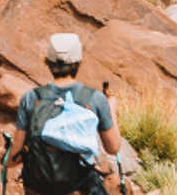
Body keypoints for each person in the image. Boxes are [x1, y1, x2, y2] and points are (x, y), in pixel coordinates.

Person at [10, 34, 126, 195]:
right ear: (79, 62)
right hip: (76, 189)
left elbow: (14, 159)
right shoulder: (94, 98)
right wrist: (111, 108)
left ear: (47, 62)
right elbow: (113, 147)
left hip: (36, 189)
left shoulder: (31, 98)